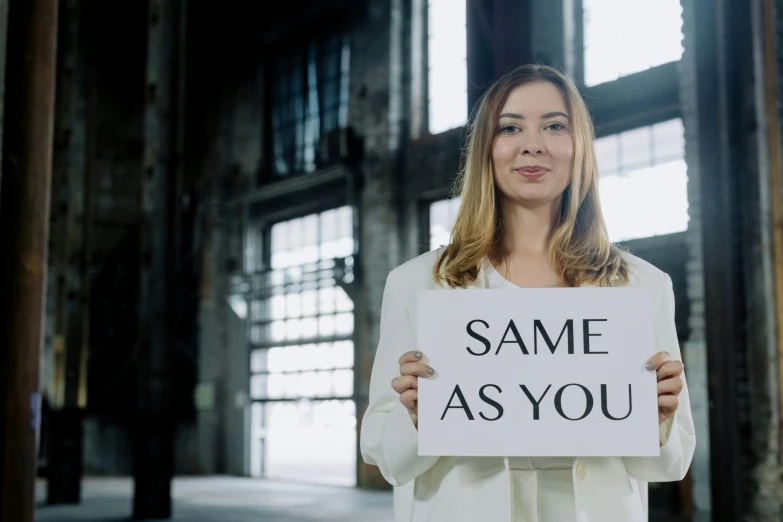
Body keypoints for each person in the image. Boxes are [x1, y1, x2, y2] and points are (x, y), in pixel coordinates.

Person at [359, 64, 695, 522]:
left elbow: (671, 464)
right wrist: (415, 416)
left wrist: (658, 417)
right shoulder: (417, 284)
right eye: (510, 127)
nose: (532, 144)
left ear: (578, 148)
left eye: (555, 126)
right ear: (486, 150)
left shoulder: (640, 286)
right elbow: (381, 451)